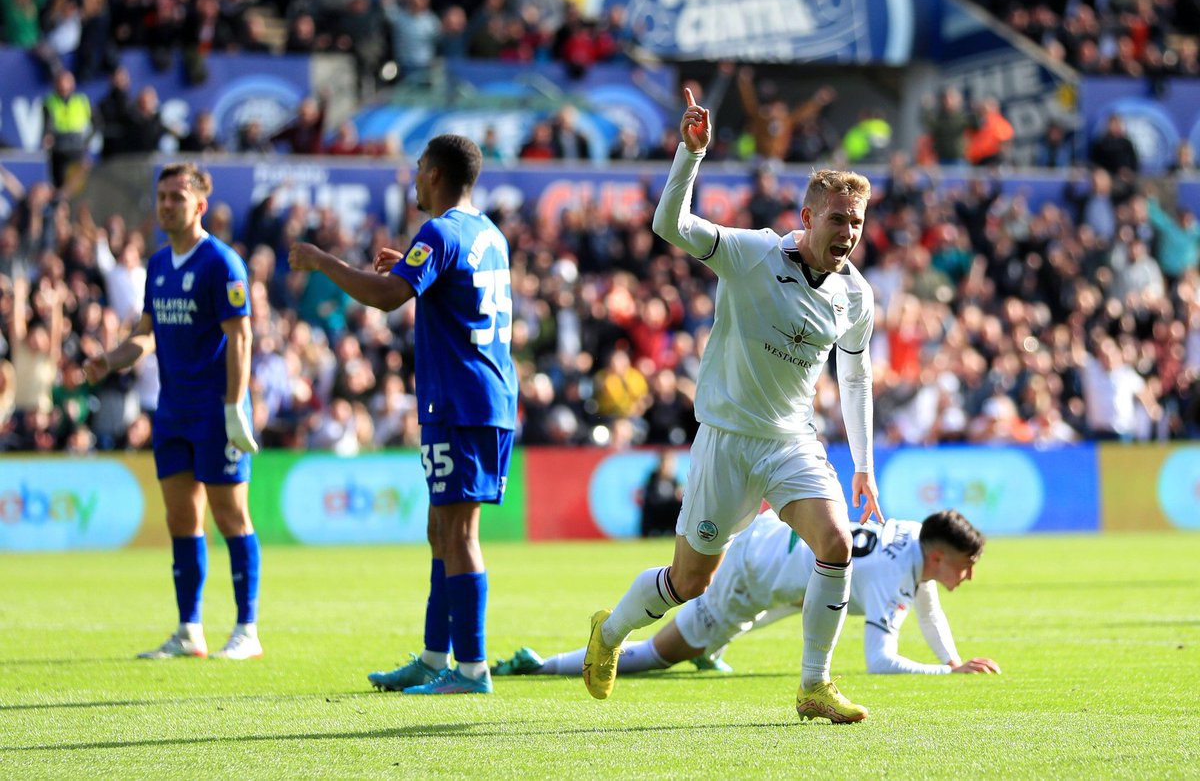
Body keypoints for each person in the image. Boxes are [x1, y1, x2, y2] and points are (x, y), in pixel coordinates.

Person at [583, 89, 883, 724]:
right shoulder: (753, 253)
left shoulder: (856, 297)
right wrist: (690, 156)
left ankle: (813, 686)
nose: (848, 233)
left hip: (790, 442)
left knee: (836, 545)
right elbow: (671, 227)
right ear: (808, 215)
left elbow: (855, 378)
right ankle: (609, 634)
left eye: (856, 222)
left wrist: (864, 465)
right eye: (837, 220)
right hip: (725, 439)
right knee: (690, 583)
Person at [287, 134, 518, 695]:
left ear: (435, 174)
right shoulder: (487, 233)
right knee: (441, 527)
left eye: (419, 169)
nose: (414, 179)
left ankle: (471, 669)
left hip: (462, 401)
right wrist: (411, 272)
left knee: (458, 532)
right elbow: (445, 290)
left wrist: (322, 261)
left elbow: (389, 298)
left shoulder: (439, 231)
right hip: (480, 398)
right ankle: (435, 657)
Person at [83, 163, 262, 661]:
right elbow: (146, 333)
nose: (165, 205)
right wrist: (110, 359)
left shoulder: (222, 263)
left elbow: (240, 338)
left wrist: (233, 407)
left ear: (199, 205)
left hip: (216, 409)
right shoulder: (158, 265)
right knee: (182, 519)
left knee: (231, 515)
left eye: (176, 198)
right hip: (173, 409)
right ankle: (190, 631)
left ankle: (247, 630)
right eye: (161, 196)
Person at [498, 509, 1000, 678]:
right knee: (660, 653)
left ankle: (712, 647)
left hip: (773, 546)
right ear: (938, 557)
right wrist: (947, 672)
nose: (970, 576)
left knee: (805, 603)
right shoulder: (895, 579)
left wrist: (954, 659)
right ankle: (539, 663)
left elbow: (926, 602)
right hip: (752, 576)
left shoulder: (915, 535)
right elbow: (880, 661)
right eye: (967, 565)